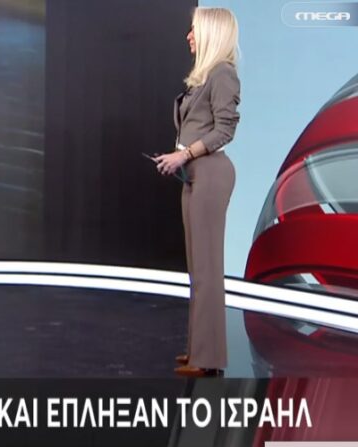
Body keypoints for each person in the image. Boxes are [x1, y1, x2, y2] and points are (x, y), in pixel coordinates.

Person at [153, 7, 240, 377]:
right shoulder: (205, 76)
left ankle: (207, 358)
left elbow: (225, 130)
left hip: (210, 174)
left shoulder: (223, 73)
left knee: (207, 269)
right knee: (197, 268)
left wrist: (184, 155)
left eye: (194, 30)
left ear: (211, 34)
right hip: (194, 175)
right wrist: (179, 158)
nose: (189, 36)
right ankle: (199, 350)